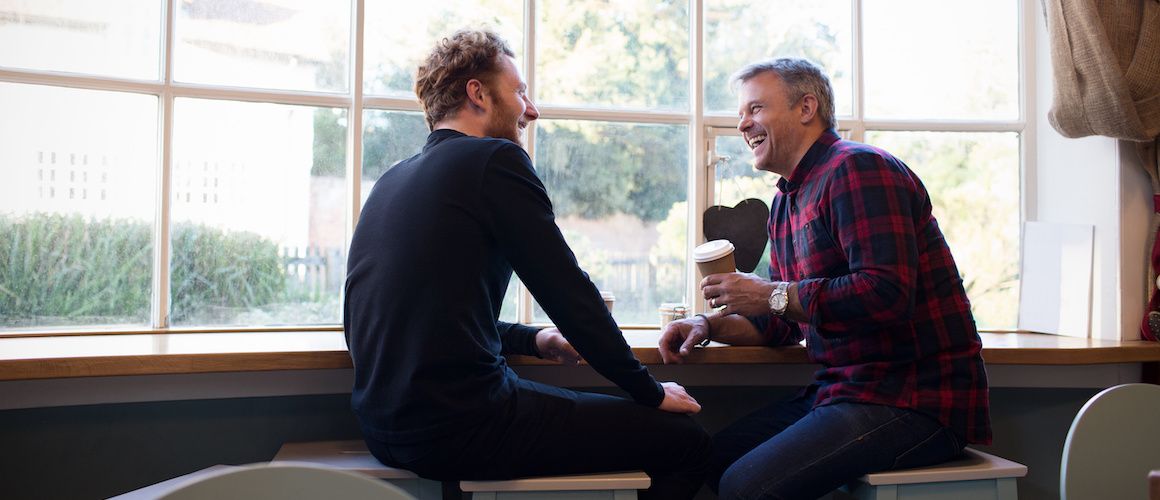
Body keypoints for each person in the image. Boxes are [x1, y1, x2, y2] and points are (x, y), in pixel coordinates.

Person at [344, 28, 710, 499]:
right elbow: (568, 294)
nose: (531, 109)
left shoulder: (392, 179)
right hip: (463, 424)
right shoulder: (494, 160)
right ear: (477, 93)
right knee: (689, 445)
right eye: (519, 92)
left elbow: (425, 316)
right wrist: (649, 390)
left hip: (384, 429)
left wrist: (534, 340)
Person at [659, 58, 991, 499]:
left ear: (806, 107)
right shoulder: (785, 203)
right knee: (707, 456)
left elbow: (886, 294)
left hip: (914, 400)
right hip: (843, 392)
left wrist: (771, 294)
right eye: (741, 113)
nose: (742, 124)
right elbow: (778, 320)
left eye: (755, 109)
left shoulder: (859, 169)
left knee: (746, 486)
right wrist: (707, 325)